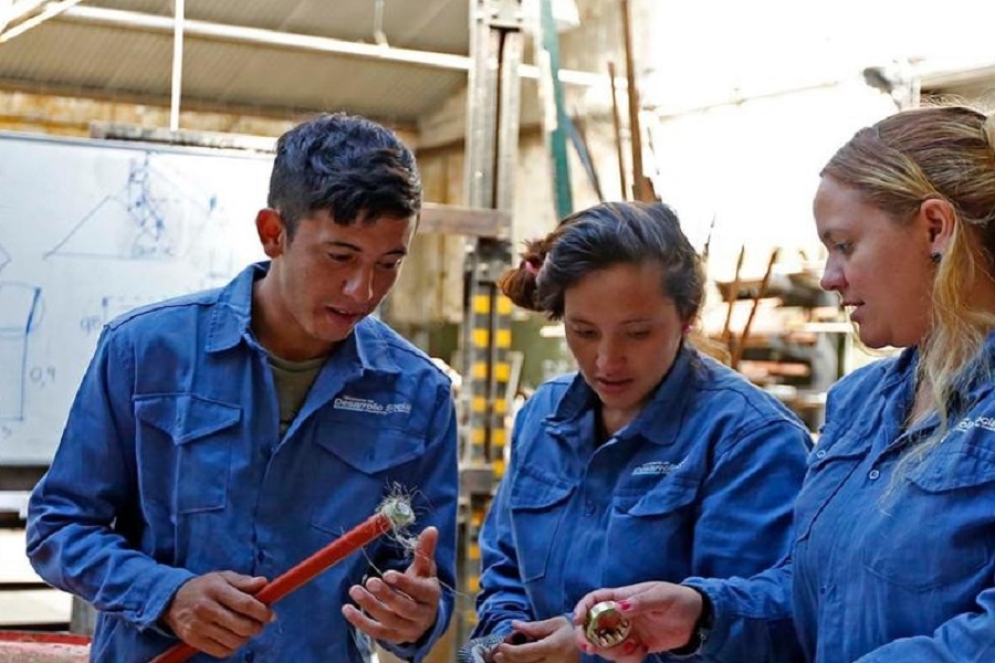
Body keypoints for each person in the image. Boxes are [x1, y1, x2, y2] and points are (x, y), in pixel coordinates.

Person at [26, 112, 458, 663]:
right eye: (340, 257)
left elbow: (425, 584)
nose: (363, 290)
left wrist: (415, 617)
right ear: (273, 233)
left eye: (389, 263)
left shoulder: (417, 394)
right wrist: (166, 595)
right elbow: (58, 526)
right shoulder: (145, 352)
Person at [572, 103, 995, 663]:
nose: (828, 277)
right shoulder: (861, 403)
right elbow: (819, 594)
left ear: (934, 228)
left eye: (844, 245)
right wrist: (705, 614)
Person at [461, 201, 812, 663]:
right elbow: (504, 570)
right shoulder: (543, 415)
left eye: (638, 333)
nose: (607, 361)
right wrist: (512, 640)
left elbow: (759, 634)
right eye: (584, 332)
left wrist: (589, 652)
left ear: (686, 316)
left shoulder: (750, 439)